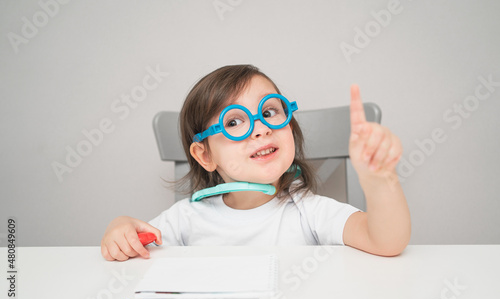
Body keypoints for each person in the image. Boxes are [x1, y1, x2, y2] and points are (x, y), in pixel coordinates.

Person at [101, 64, 411, 261]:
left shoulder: (310, 211)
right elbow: (135, 251)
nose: (261, 128)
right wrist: (120, 228)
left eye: (268, 112)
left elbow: (386, 241)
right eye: (234, 122)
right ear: (204, 155)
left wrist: (380, 180)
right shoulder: (185, 219)